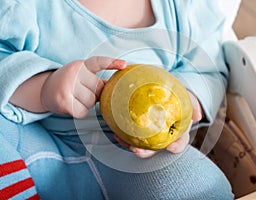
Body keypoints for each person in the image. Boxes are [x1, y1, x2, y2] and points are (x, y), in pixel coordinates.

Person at [0, 0, 234, 199]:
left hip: (130, 160)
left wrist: (186, 102)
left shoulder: (185, 7)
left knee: (199, 185)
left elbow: (208, 70)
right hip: (33, 144)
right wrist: (43, 87)